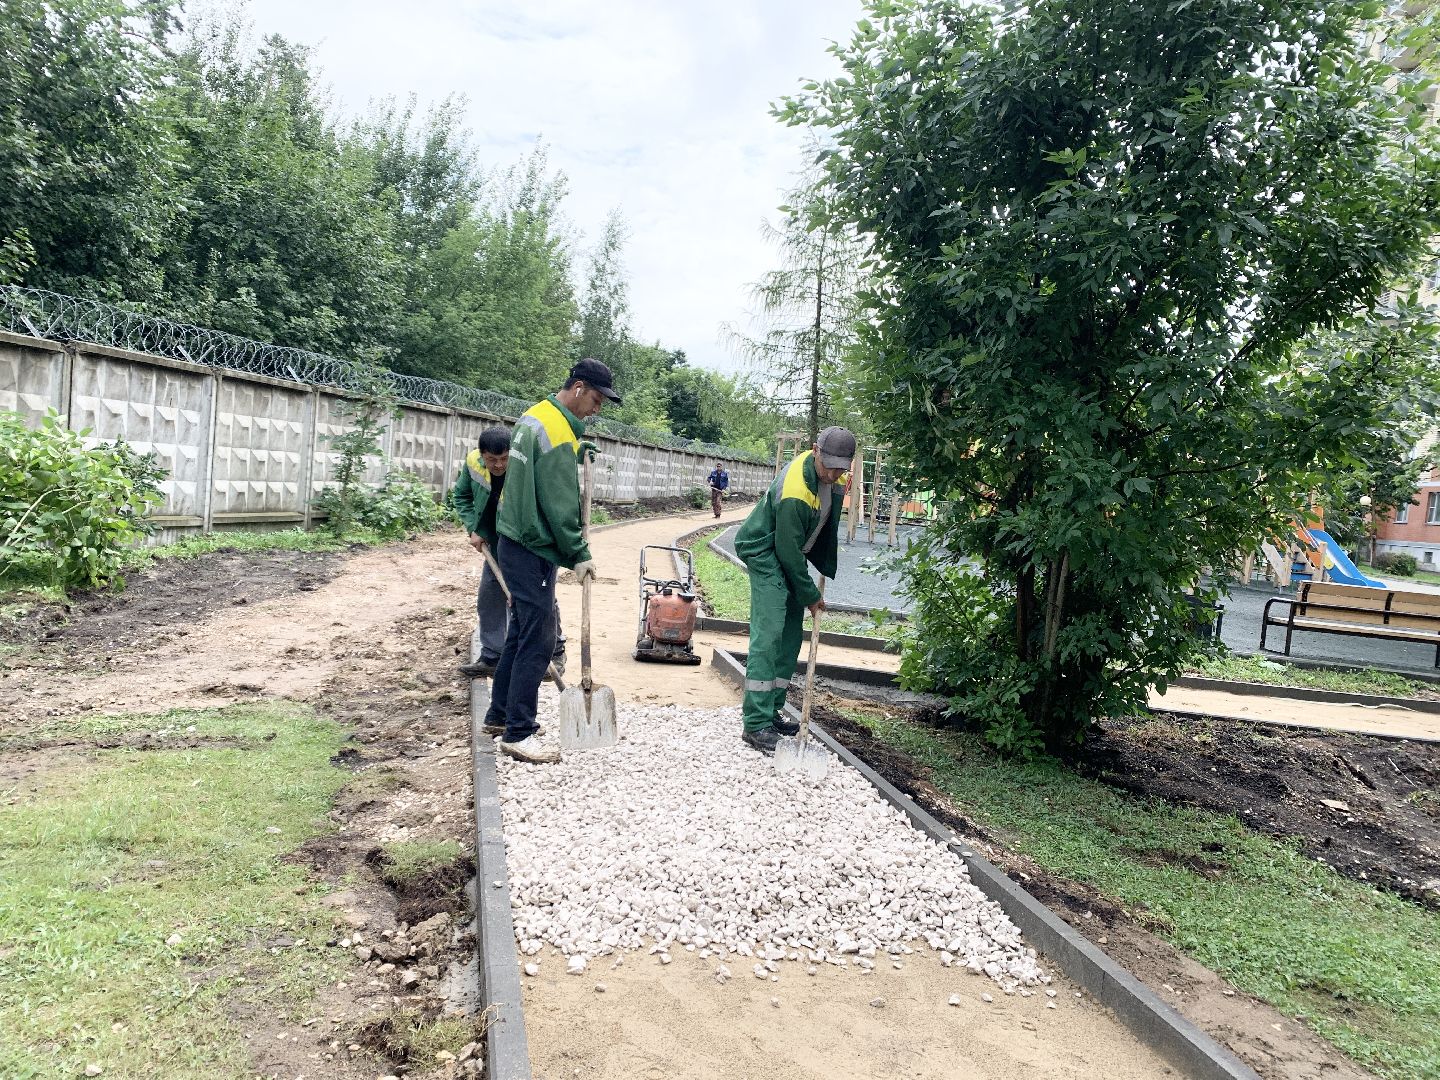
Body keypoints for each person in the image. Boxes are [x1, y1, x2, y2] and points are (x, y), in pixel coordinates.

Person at [483, 357, 621, 763]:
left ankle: (500, 714)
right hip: (532, 547)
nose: (596, 410)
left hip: (514, 540)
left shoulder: (536, 416)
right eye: (596, 400)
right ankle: (519, 733)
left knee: (521, 633)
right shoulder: (558, 431)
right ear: (578, 388)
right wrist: (578, 553)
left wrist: (575, 451)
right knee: (539, 640)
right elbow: (560, 504)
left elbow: (538, 470)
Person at [733, 426, 856, 754]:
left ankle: (771, 710)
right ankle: (755, 724)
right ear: (815, 450)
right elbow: (787, 551)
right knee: (770, 631)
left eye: (840, 468)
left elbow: (824, 517)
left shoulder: (837, 476)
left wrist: (843, 486)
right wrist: (811, 596)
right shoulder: (795, 489)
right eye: (829, 465)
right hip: (764, 549)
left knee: (790, 635)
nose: (832, 473)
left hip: (788, 552)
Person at [451, 426, 566, 680]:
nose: (499, 465)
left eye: (504, 458)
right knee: (490, 595)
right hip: (495, 541)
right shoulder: (473, 463)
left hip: (529, 542)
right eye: (492, 459)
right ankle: (492, 656)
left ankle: (555, 652)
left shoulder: (525, 467)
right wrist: (473, 528)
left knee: (539, 598)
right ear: (481, 455)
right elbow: (461, 496)